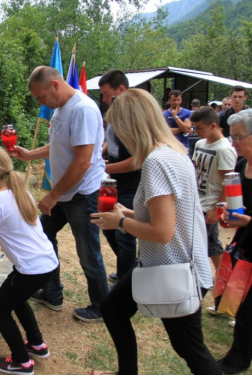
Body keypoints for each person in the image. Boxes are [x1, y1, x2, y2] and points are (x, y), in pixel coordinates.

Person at [90, 89, 221, 375]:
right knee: (113, 309)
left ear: (131, 125)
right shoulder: (172, 151)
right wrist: (127, 213)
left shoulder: (156, 162)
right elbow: (169, 216)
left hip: (177, 269)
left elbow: (163, 232)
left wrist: (120, 223)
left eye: (116, 129)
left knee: (190, 349)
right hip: (172, 264)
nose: (117, 137)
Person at [12, 66, 109, 322]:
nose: (41, 104)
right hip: (65, 192)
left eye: (41, 97)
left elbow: (81, 162)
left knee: (88, 251)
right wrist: (30, 154)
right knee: (43, 237)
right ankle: (52, 293)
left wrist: (53, 195)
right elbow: (58, 145)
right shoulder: (59, 109)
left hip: (81, 195)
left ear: (55, 85)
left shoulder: (83, 110)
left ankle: (102, 307)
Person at [0, 145, 59, 375]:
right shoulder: (21, 190)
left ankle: (21, 362)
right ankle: (37, 344)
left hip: (31, 269)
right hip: (47, 262)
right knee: (16, 299)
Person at [218, 108, 252, 375]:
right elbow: (238, 206)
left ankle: (237, 360)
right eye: (232, 137)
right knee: (243, 304)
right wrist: (229, 217)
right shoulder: (241, 166)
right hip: (246, 243)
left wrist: (248, 221)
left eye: (239, 137)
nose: (234, 143)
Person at [98, 70, 139, 284]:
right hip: (114, 180)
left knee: (124, 233)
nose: (103, 99)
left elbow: (137, 160)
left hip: (131, 182)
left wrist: (108, 168)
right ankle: (129, 267)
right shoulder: (114, 113)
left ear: (120, 90)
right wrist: (101, 153)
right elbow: (111, 142)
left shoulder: (134, 117)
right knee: (108, 226)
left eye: (106, 94)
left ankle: (127, 279)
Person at [191, 106, 236, 272]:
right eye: (194, 127)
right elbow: (196, 169)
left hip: (210, 203)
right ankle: (223, 274)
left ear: (213, 126)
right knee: (211, 243)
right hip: (198, 199)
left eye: (200, 128)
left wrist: (215, 208)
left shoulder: (224, 149)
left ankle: (210, 275)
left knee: (200, 244)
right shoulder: (200, 143)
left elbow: (228, 181)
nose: (196, 131)